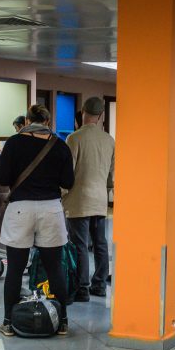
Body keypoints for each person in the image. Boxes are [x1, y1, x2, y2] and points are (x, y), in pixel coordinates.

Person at [0, 104, 74, 336]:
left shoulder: (13, 143)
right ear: (48, 122)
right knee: (54, 269)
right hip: (51, 209)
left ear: (28, 120)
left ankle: (8, 322)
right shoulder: (60, 145)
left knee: (15, 270)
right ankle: (62, 323)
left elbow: (3, 178)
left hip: (20, 209)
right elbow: (68, 182)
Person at [63, 97, 115, 301]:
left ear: (82, 111)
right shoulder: (109, 140)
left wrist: (61, 194)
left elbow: (68, 173)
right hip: (100, 200)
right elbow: (112, 175)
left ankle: (82, 288)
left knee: (79, 244)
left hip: (79, 200)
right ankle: (100, 284)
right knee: (100, 243)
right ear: (101, 115)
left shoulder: (74, 139)